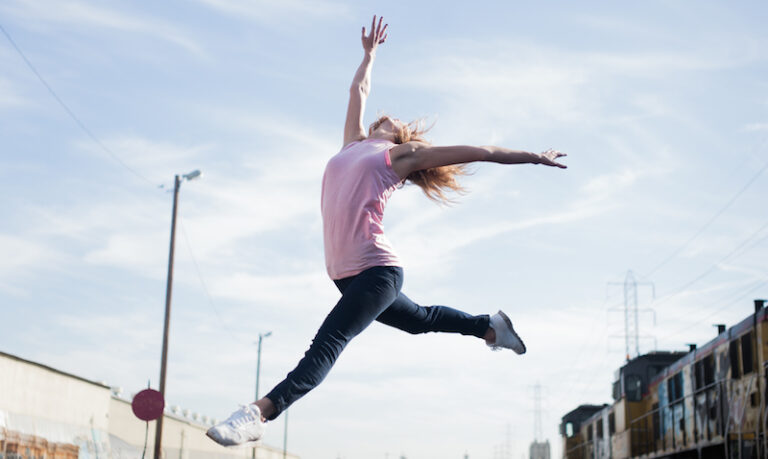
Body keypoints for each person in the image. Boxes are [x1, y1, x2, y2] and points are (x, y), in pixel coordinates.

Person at [206, 15, 566, 447]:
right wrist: (369, 56)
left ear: (401, 136)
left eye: (394, 121)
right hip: (346, 275)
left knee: (328, 343)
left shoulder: (400, 156)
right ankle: (489, 327)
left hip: (376, 270)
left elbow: (480, 150)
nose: (386, 116)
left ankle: (256, 414)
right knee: (420, 321)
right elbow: (358, 91)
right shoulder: (353, 144)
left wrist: (532, 156)